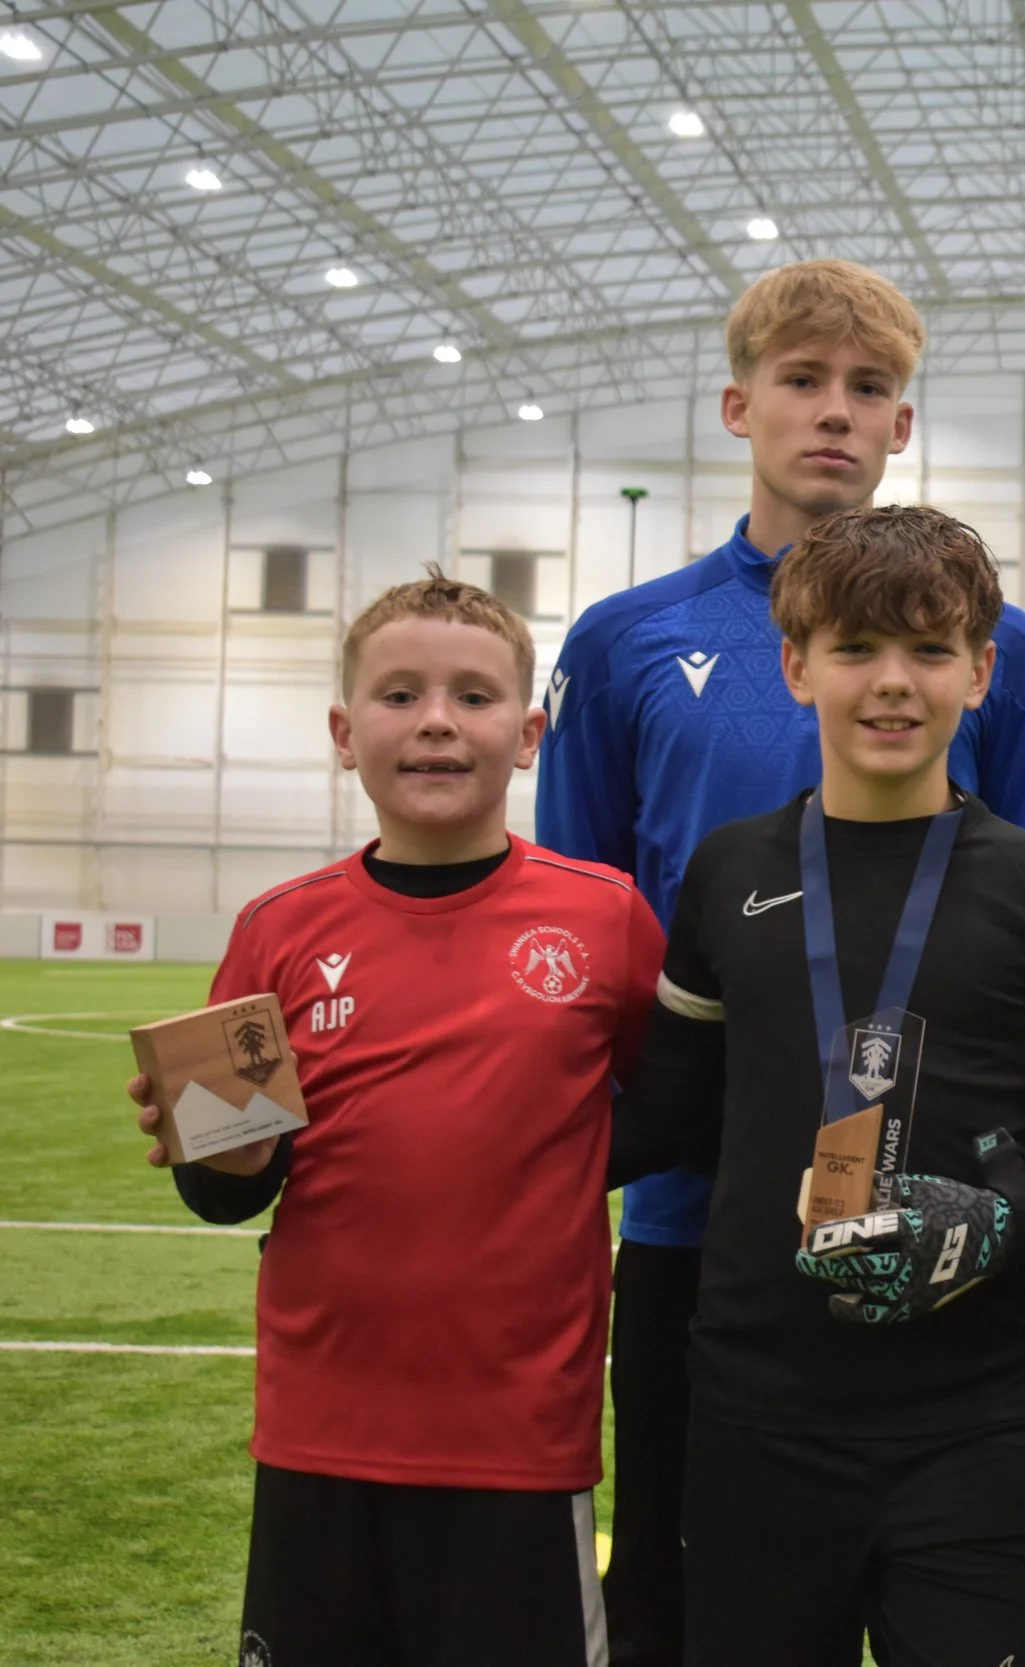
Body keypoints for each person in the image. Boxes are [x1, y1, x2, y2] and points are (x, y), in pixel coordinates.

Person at [534, 258, 1025, 1666]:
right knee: (680, 1614)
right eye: (802, 379)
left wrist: (1005, 1199)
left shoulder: (1001, 647)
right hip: (697, 1236)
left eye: (868, 386)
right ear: (740, 404)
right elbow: (574, 933)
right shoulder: (624, 641)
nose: (834, 410)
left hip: (941, 1239)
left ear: (903, 421)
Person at [605, 503, 1025, 1666]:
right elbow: (661, 1120)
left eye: (930, 649)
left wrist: (1000, 1216)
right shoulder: (727, 871)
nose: (893, 681)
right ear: (797, 667)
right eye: (855, 648)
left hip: (971, 1417)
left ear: (980, 672)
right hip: (754, 1412)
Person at [131, 568, 663, 1667]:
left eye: (473, 696)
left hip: (521, 1434)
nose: (435, 721)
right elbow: (223, 1191)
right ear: (344, 733)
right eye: (400, 694)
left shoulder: (604, 916)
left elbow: (675, 1112)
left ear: (528, 736)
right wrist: (232, 1156)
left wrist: (542, 1163)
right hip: (319, 1427)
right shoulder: (276, 930)